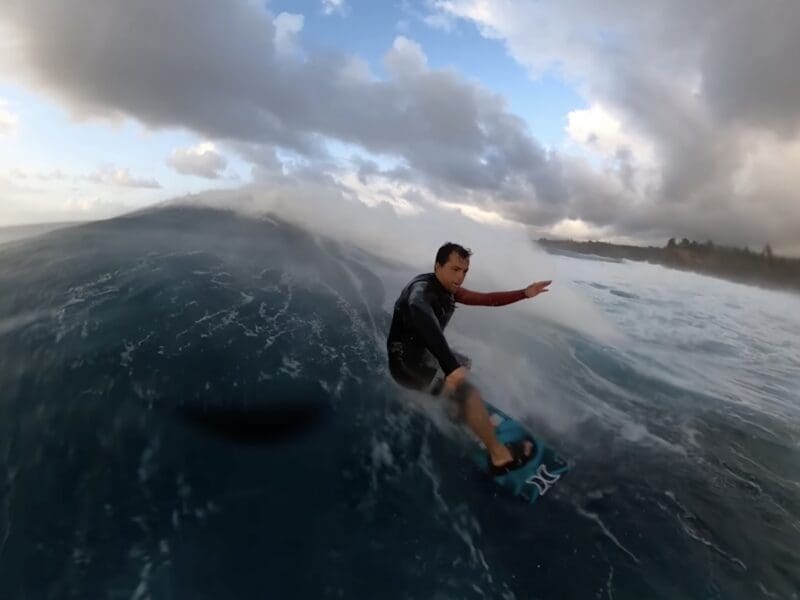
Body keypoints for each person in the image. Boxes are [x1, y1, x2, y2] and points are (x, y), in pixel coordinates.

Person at [387, 242, 552, 476]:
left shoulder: (448, 290)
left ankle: (456, 410)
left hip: (424, 355)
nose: (460, 277)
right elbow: (419, 311)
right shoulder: (421, 292)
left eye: (464, 271)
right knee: (469, 393)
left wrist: (524, 293)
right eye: (455, 269)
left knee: (465, 363)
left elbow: (486, 299)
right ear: (438, 266)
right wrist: (450, 368)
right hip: (407, 366)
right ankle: (500, 458)